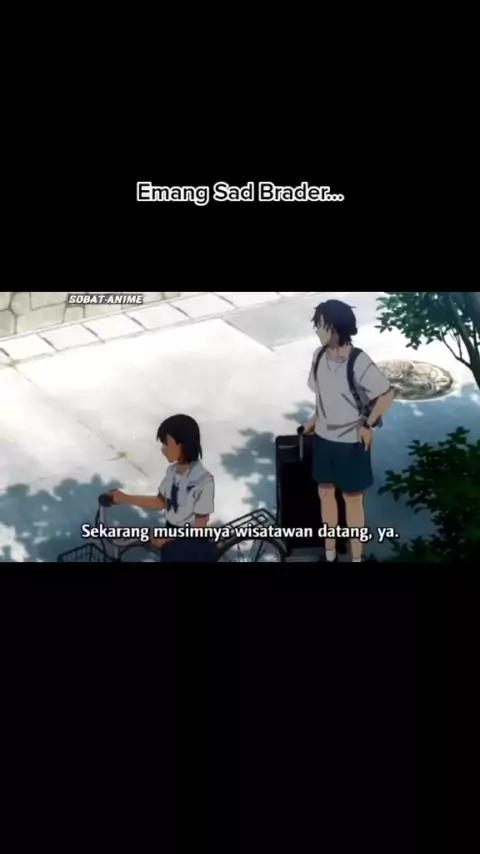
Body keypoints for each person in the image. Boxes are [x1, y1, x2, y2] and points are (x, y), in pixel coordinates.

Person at [300, 299, 394, 563]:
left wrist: (368, 424)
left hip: (351, 441)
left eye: (321, 326)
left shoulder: (358, 361)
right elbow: (324, 396)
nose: (317, 330)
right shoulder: (318, 356)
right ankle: (330, 553)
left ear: (336, 328)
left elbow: (386, 394)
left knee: (352, 501)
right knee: (325, 495)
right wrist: (313, 420)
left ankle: (356, 558)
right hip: (323, 438)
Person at [109, 414, 215, 562]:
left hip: (191, 546)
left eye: (166, 444)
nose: (163, 449)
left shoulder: (203, 480)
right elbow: (160, 502)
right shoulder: (172, 471)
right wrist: (125, 498)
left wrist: (169, 537)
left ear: (182, 445)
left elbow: (200, 527)